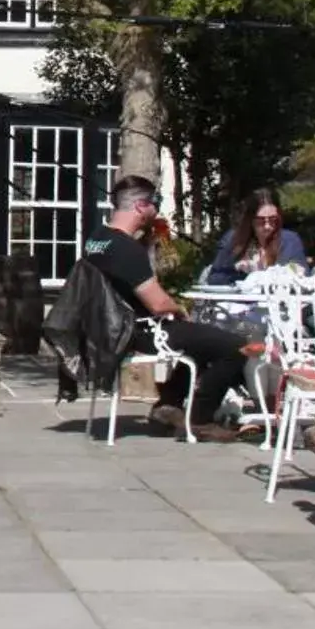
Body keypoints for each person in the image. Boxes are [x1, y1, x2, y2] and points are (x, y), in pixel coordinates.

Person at [85, 175, 264, 436]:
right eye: (155, 202)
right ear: (141, 206)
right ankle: (201, 420)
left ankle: (167, 407)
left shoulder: (97, 239)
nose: (157, 208)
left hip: (109, 328)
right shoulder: (126, 248)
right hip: (138, 332)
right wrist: (179, 308)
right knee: (234, 346)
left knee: (200, 340)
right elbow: (158, 304)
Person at [203, 188, 306, 284]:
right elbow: (214, 278)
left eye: (273, 219)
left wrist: (291, 272)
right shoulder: (232, 239)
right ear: (250, 219)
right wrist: (241, 273)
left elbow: (305, 276)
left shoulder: (290, 240)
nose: (267, 226)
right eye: (261, 221)